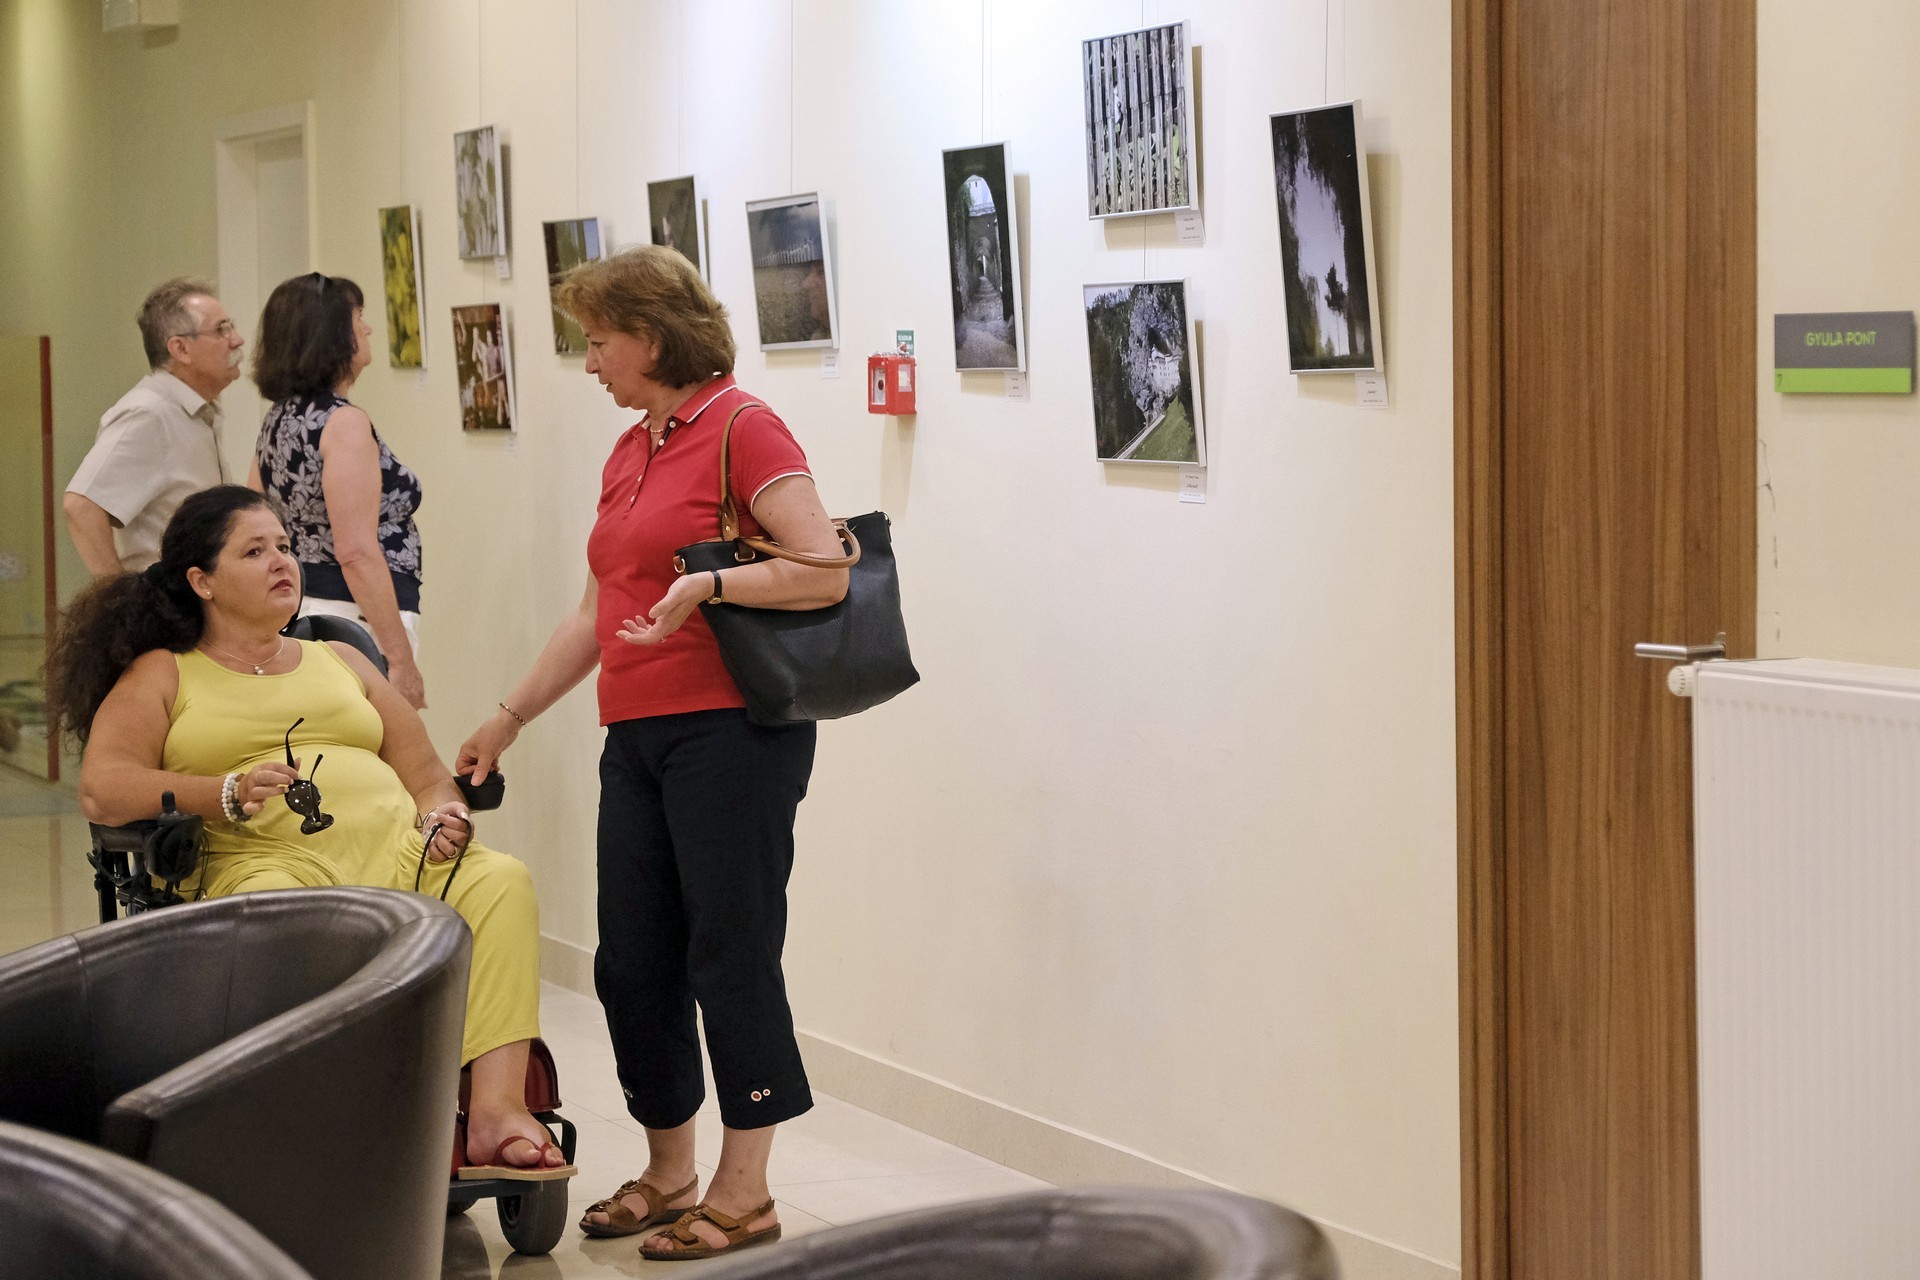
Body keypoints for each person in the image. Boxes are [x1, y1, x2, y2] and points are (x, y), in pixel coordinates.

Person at [456, 245, 848, 1260]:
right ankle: (669, 1169)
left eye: (599, 340)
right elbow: (596, 612)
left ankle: (746, 1188)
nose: (589, 362)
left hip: (735, 733)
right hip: (635, 734)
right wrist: (509, 715)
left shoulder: (744, 427)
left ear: (652, 335)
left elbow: (825, 568)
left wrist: (710, 586)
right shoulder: (631, 449)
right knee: (632, 961)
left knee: (731, 952)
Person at [44, 485, 571, 1180]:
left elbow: (427, 776)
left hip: (398, 851)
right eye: (254, 551)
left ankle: (496, 1112)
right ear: (201, 581)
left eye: (286, 547)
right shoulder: (165, 672)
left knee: (500, 879)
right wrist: (224, 792)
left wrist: (444, 816)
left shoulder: (342, 660)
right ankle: (336, 1116)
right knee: (285, 914)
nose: (282, 562)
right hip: (262, 861)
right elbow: (103, 787)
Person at [249, 272, 428, 710]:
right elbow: (356, 552)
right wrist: (399, 660)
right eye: (357, 317)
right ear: (330, 335)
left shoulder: (279, 419)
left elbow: (255, 514)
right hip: (353, 617)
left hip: (305, 607)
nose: (367, 328)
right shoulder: (343, 423)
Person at [65, 278, 246, 578]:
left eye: (232, 327)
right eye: (221, 330)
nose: (237, 340)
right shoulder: (149, 413)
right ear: (180, 348)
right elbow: (81, 505)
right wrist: (117, 597)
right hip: (165, 599)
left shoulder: (194, 412)